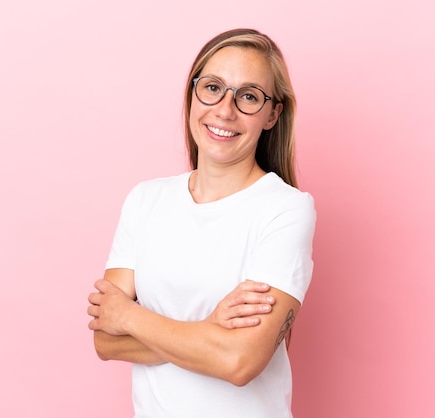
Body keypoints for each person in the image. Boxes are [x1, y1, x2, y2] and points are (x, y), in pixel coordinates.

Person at [87, 28, 316, 418]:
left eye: (248, 96)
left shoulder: (286, 209)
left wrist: (129, 316)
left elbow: (239, 362)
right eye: (212, 88)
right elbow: (106, 342)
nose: (224, 111)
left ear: (272, 113)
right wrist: (209, 331)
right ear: (193, 93)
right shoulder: (146, 199)